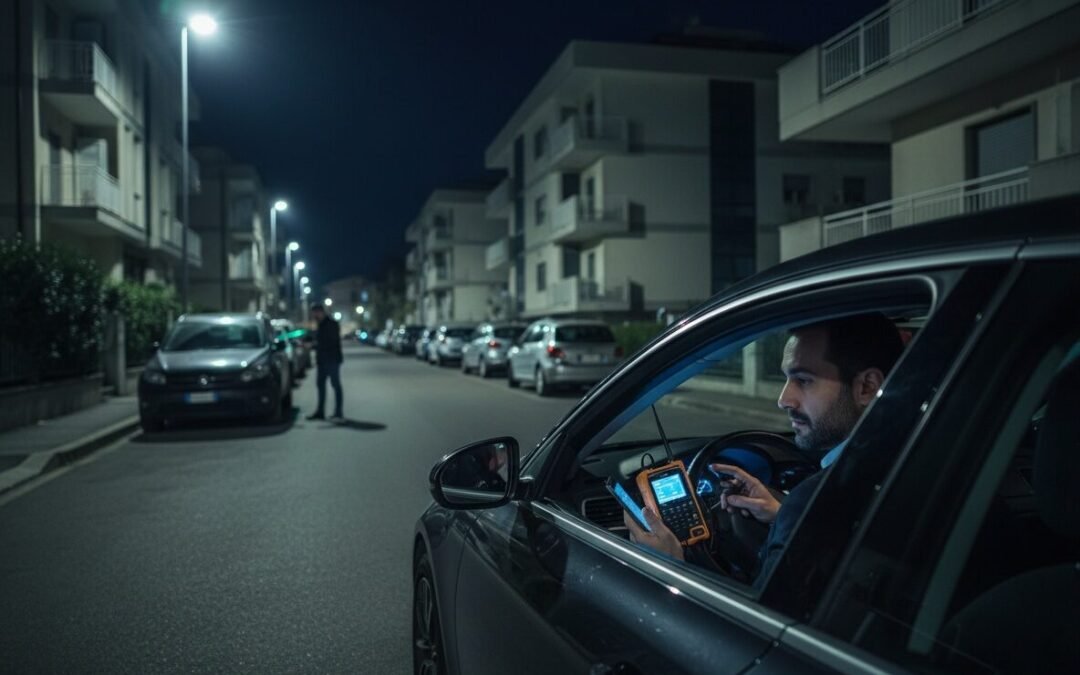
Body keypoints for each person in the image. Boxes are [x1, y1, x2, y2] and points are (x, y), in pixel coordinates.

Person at [625, 313, 904, 586]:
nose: (784, 400)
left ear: (866, 387)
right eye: (785, 379)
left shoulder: (816, 501)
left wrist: (673, 565)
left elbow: (751, 626)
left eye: (804, 380)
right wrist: (782, 513)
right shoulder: (907, 460)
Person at [306, 304, 344, 421]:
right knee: (321, 385)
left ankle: (338, 412)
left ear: (321, 312)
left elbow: (329, 342)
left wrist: (314, 345)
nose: (314, 316)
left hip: (332, 360)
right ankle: (320, 412)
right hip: (322, 361)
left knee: (335, 385)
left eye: (316, 313)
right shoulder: (320, 325)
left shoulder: (331, 324)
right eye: (313, 313)